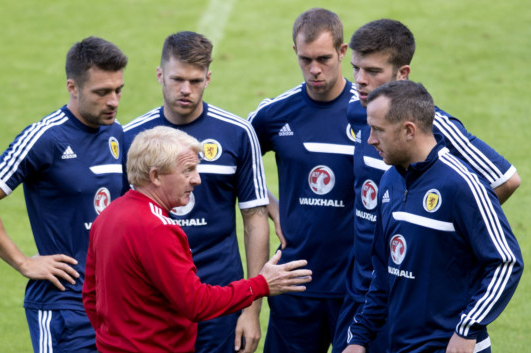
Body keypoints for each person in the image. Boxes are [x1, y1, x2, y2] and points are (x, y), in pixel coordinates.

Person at [332, 19, 521, 352]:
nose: (360, 81)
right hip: (375, 295)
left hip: (438, 322)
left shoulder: (446, 155)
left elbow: (505, 184)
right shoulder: (379, 151)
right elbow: (383, 261)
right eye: (356, 69)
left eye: (372, 71)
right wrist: (358, 337)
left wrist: (444, 236)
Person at [0, 36, 127, 352]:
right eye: (102, 92)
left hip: (112, 305)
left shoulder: (117, 133)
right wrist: (23, 262)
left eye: (118, 90)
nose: (114, 101)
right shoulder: (45, 138)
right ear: (73, 88)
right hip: (63, 306)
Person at [82, 125, 311, 353]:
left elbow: (91, 297)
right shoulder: (157, 228)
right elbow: (196, 303)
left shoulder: (107, 215)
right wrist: (260, 284)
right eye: (188, 170)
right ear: (156, 176)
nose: (197, 179)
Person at [123, 31, 270, 353]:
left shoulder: (237, 133)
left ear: (208, 77)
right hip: (154, 294)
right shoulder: (132, 137)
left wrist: (252, 308)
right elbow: (118, 222)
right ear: (160, 75)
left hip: (221, 291)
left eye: (195, 80)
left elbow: (256, 217)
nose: (186, 90)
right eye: (177, 79)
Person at [247, 8, 355, 352]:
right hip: (293, 281)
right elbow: (236, 163)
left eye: (323, 58)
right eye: (305, 59)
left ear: (342, 51)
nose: (314, 69)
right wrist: (270, 205)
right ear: (294, 52)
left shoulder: (369, 113)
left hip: (354, 284)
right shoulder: (275, 113)